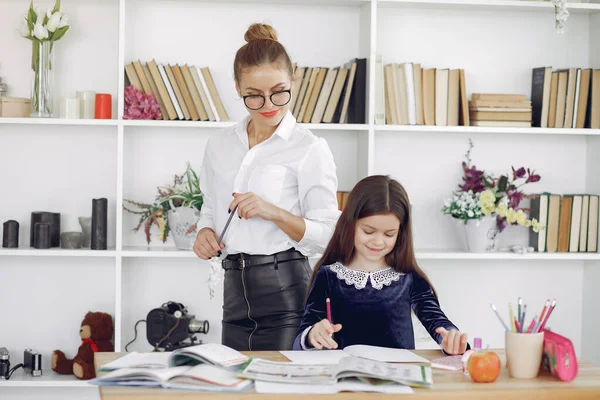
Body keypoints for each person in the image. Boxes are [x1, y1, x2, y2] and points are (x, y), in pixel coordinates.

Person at [192, 22, 341, 351]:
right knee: (236, 386)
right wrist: (205, 232)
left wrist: (273, 212)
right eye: (254, 96)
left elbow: (330, 234)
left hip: (286, 294)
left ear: (293, 78)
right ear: (237, 88)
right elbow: (211, 207)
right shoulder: (219, 144)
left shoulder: (309, 147)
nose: (269, 104)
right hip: (234, 294)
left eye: (278, 91)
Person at [292, 175, 469, 355]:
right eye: (368, 231)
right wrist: (312, 334)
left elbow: (436, 320)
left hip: (398, 377)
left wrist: (450, 338)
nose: (378, 241)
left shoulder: (408, 277)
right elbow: (300, 340)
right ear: (350, 224)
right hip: (344, 378)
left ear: (401, 233)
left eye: (389, 234)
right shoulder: (328, 276)